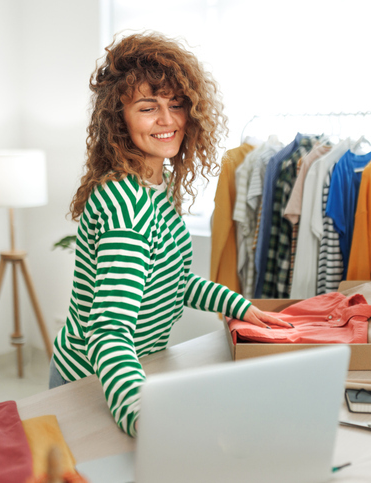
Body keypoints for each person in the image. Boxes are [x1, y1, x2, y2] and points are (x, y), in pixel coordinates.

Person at [48, 31, 289, 437]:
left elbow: (172, 279)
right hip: (92, 383)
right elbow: (110, 332)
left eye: (176, 105)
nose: (168, 120)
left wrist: (239, 307)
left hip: (129, 372)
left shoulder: (158, 189)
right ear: (118, 119)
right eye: (148, 108)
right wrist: (143, 415)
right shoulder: (126, 208)